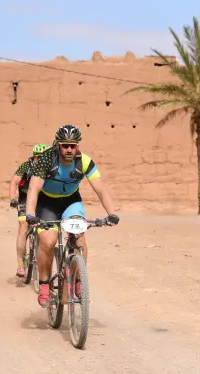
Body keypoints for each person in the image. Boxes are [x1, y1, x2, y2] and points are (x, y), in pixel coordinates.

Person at [25, 125, 120, 306]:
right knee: (48, 241)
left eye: (73, 145)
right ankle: (44, 284)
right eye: (65, 145)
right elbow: (33, 189)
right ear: (58, 145)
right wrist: (30, 214)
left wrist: (112, 213)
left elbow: (101, 190)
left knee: (79, 238)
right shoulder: (46, 159)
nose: (69, 149)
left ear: (77, 145)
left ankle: (78, 281)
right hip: (47, 202)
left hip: (71, 202)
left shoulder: (84, 162)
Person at [9, 143, 49, 277]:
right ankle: (20, 264)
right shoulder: (26, 166)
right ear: (34, 157)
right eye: (38, 157)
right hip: (25, 200)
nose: (41, 160)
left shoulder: (51, 168)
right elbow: (14, 182)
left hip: (43, 200)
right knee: (23, 226)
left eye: (44, 157)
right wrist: (13, 199)